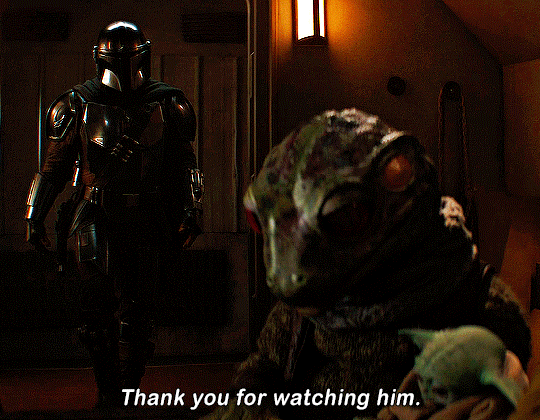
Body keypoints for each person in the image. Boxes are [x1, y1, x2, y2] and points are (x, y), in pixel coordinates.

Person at [204, 109, 530, 420]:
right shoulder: (311, 304)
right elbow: (263, 369)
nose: (284, 272)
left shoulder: (473, 296)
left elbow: (501, 396)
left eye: (343, 216)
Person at [25, 21, 203, 407]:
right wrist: (34, 215)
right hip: (96, 214)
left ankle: (127, 389)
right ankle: (109, 390)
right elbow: (53, 168)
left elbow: (184, 164)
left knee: (138, 315)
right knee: (97, 312)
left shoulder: (167, 102)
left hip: (146, 216)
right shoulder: (77, 103)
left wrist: (192, 208)